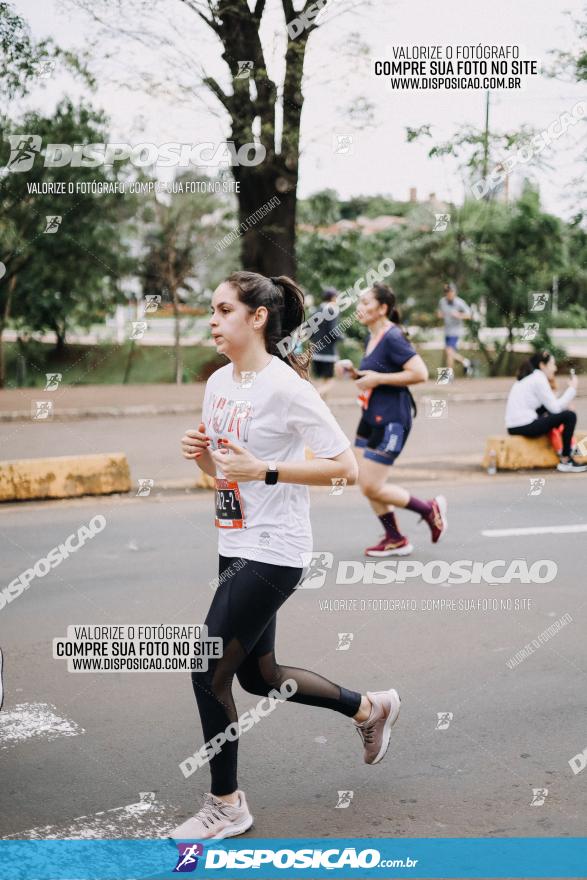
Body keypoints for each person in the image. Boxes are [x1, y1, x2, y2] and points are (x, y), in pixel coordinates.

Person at [173, 271, 402, 841]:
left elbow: (345, 468)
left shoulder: (287, 387)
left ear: (257, 318)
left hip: (276, 549)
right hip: (235, 540)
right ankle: (369, 708)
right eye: (211, 310)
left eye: (223, 310)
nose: (212, 320)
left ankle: (227, 804)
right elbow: (227, 473)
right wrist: (204, 459)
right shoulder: (219, 383)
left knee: (206, 669)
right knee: (259, 676)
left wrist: (269, 469)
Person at [337, 283, 448, 556]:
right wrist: (355, 374)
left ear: (382, 308)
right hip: (371, 416)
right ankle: (395, 537)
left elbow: (420, 373)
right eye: (359, 303)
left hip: (392, 420)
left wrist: (377, 378)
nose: (359, 309)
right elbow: (375, 376)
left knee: (373, 485)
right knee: (365, 485)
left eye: (365, 303)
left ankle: (428, 508)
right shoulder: (372, 337)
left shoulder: (393, 337)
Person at [505, 351, 586, 473]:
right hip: (524, 425)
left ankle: (568, 452)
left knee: (562, 414)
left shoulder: (530, 377)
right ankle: (566, 460)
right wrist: (572, 389)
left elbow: (548, 407)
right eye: (552, 364)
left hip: (514, 426)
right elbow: (555, 408)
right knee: (570, 416)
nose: (555, 368)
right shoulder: (538, 378)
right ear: (542, 365)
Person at [308, 288, 340, 400]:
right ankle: (313, 396)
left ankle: (322, 406)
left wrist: (315, 341)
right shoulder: (332, 310)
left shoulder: (316, 310)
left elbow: (308, 329)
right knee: (330, 382)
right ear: (332, 298)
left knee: (321, 380)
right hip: (328, 354)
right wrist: (342, 338)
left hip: (316, 352)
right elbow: (333, 332)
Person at [437, 282, 472, 376]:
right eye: (447, 292)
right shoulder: (442, 301)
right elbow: (439, 312)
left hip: (456, 332)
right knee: (449, 353)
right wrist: (440, 315)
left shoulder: (460, 302)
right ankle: (465, 361)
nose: (449, 294)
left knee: (449, 351)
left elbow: (469, 315)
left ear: (455, 292)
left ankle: (446, 377)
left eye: (451, 292)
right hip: (447, 331)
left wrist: (459, 315)